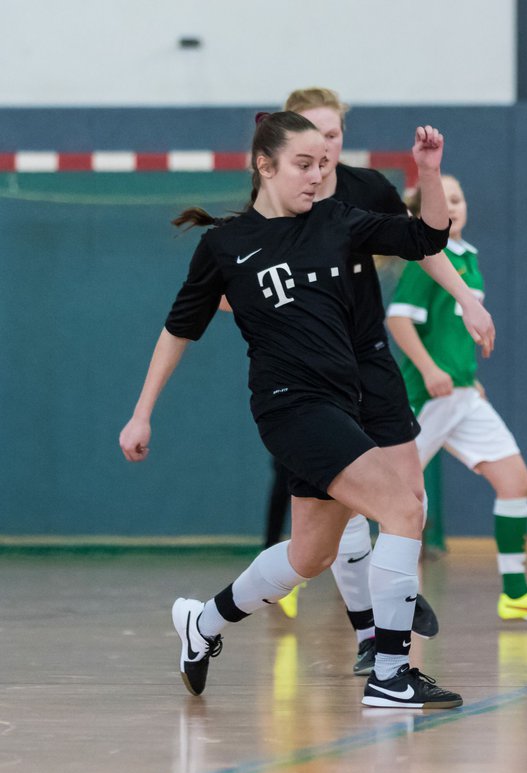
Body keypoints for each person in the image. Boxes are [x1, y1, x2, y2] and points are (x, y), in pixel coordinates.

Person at [119, 111, 463, 710]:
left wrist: (428, 175)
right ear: (264, 165)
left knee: (311, 554)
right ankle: (389, 671)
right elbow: (179, 329)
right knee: (405, 508)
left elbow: (425, 238)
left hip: (342, 404)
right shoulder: (224, 245)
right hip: (289, 408)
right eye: (303, 165)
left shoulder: (336, 220)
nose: (316, 176)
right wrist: (142, 411)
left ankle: (204, 623)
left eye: (323, 165)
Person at [280, 88, 498, 673]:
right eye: (315, 134)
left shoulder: (367, 189)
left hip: (370, 361)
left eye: (335, 134)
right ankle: (370, 637)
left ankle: (388, 603)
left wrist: (465, 300)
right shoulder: (278, 199)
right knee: (344, 515)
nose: (326, 146)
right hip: (313, 374)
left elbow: (423, 246)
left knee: (409, 501)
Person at [386, 177, 527, 621]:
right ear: (422, 211)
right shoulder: (424, 259)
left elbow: (456, 332)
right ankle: (300, 565)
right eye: (443, 198)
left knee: (515, 481)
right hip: (428, 396)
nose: (454, 204)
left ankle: (515, 593)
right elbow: (397, 320)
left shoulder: (468, 259)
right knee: (387, 496)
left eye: (458, 196)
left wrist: (468, 375)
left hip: (464, 393)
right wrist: (432, 370)